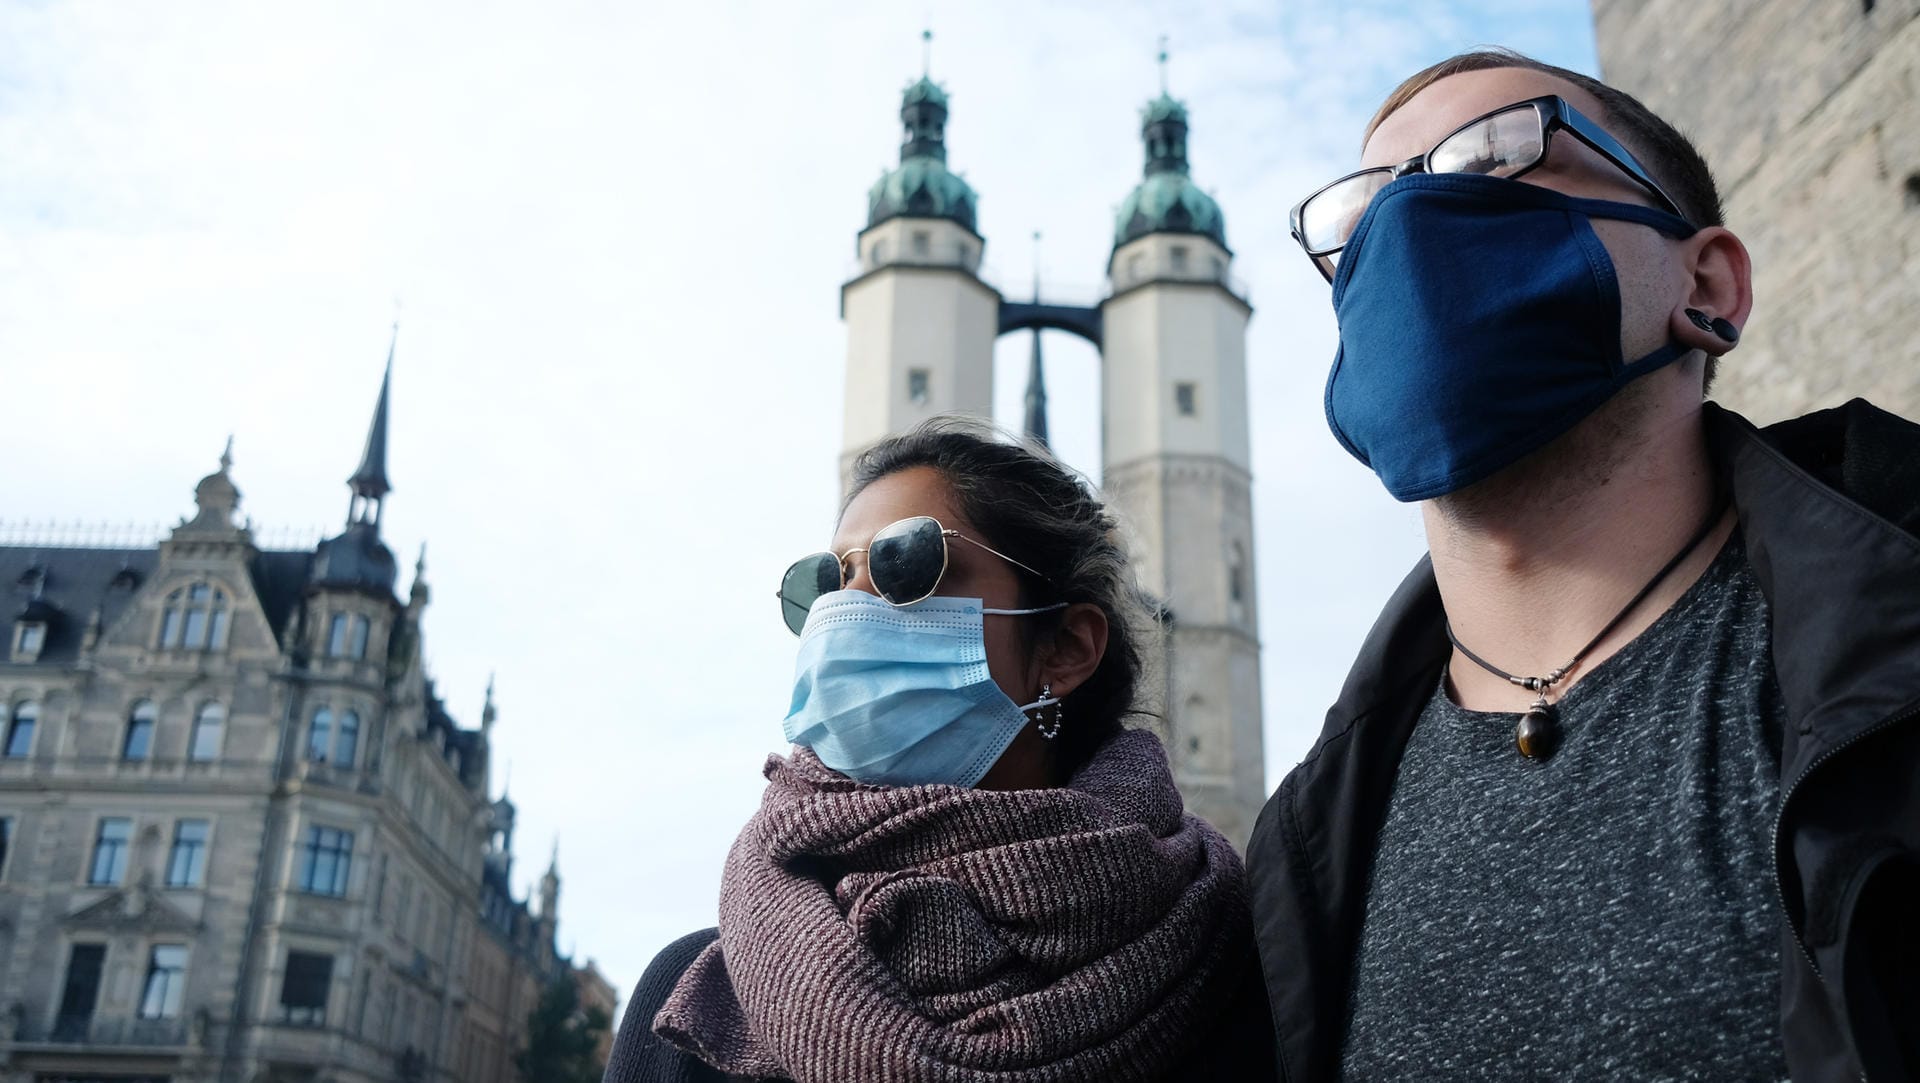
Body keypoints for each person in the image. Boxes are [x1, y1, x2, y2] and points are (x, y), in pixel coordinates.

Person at [1248, 47, 1920, 1082]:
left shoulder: (1892, 668)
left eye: (1497, 155)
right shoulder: (1301, 854)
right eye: (1362, 219)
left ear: (1708, 284)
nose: (1410, 226)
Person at [605, 420, 1275, 1083]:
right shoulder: (695, 1009)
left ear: (1066, 647)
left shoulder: (1245, 970)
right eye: (826, 582)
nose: (847, 610)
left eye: (907, 562)